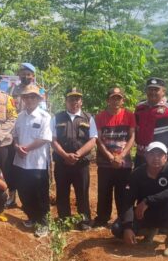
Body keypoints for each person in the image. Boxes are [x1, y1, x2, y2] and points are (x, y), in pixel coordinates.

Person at [116, 142, 168, 258]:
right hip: (145, 214)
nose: (156, 158)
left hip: (165, 212)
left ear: (166, 157)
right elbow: (128, 201)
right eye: (152, 154)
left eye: (160, 155)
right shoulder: (137, 173)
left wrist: (147, 201)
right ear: (146, 156)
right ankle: (149, 231)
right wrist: (127, 227)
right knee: (117, 229)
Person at [51, 88, 97, 230]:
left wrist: (77, 154)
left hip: (81, 163)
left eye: (77, 99)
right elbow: (53, 140)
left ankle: (84, 220)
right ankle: (64, 220)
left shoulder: (88, 118)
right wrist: (65, 155)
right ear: (66, 101)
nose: (74, 102)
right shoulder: (57, 118)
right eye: (71, 99)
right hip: (62, 163)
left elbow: (93, 139)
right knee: (62, 192)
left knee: (82, 192)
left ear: (81, 101)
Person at [12, 85, 53, 237]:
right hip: (21, 162)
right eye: (26, 97)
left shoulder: (45, 117)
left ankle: (43, 222)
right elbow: (15, 134)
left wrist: (26, 149)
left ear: (38, 99)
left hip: (37, 163)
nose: (29, 99)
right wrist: (17, 146)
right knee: (23, 191)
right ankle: (32, 217)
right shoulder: (20, 116)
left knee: (40, 193)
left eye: (32, 97)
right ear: (23, 99)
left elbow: (44, 138)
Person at [94, 87, 136, 228]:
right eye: (113, 98)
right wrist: (111, 157)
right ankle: (102, 218)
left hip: (124, 163)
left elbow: (132, 137)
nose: (115, 101)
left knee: (123, 192)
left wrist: (121, 156)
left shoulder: (129, 115)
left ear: (122, 100)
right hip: (105, 162)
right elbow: (98, 140)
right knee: (104, 191)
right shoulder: (99, 117)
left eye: (118, 98)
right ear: (108, 100)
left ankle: (123, 219)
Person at [6, 63, 45, 208]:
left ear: (33, 76)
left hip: (33, 134)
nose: (25, 76)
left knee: (32, 169)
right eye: (23, 74)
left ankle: (30, 199)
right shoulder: (12, 89)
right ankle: (12, 196)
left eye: (28, 74)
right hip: (15, 132)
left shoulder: (40, 90)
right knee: (13, 165)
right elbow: (8, 110)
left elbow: (42, 111)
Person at [134, 78, 168, 167]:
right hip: (142, 156)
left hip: (162, 157)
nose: (153, 92)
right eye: (150, 89)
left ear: (163, 92)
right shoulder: (139, 107)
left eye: (156, 90)